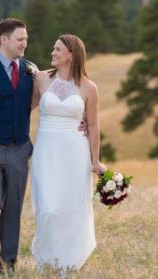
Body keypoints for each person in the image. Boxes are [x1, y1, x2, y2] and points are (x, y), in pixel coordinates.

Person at [0, 19, 87, 274]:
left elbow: (48, 97)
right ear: (3, 39)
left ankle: (8, 263)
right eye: (20, 39)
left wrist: (79, 115)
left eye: (26, 39)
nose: (25, 44)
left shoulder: (31, 70)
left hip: (19, 150)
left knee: (13, 208)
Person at [30, 34, 106, 271]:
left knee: (70, 207)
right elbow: (23, 108)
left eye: (58, 49)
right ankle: (45, 259)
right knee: (48, 207)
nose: (52, 52)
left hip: (75, 152)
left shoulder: (88, 87)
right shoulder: (40, 79)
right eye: (53, 48)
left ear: (72, 54)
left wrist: (96, 161)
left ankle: (67, 263)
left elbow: (93, 125)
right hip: (46, 149)